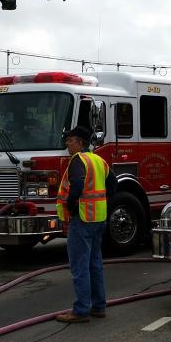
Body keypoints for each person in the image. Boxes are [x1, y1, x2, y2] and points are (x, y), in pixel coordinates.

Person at [55, 126, 117, 323]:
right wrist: (103, 202)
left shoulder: (78, 160)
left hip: (82, 219)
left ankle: (81, 310)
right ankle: (98, 306)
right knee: (95, 264)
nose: (67, 143)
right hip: (98, 219)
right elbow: (113, 184)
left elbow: (78, 185)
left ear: (80, 143)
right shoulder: (99, 160)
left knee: (80, 266)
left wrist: (72, 205)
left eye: (70, 140)